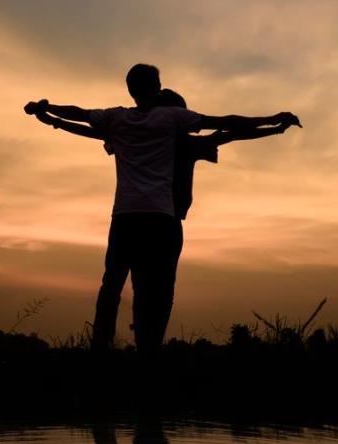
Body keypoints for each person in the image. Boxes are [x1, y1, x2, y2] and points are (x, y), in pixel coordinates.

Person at [24, 63, 300, 357]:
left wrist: (47, 112)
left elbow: (80, 118)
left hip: (126, 217)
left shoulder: (120, 121)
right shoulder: (172, 122)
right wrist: (273, 122)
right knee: (153, 291)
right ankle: (147, 350)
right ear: (158, 91)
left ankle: (101, 350)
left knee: (112, 286)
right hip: (162, 220)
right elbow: (227, 125)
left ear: (130, 90)